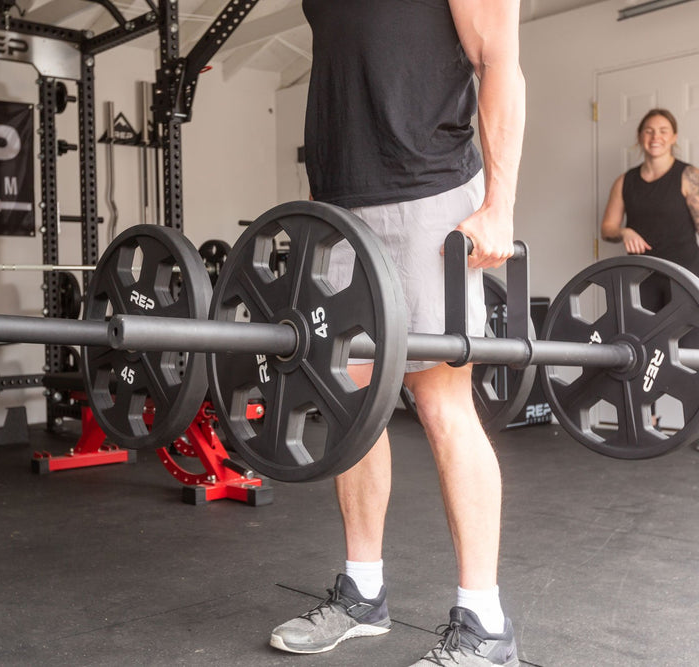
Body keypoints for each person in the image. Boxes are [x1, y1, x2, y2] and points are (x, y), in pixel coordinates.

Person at [269, 2, 524, 665]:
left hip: (427, 190)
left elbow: (498, 55)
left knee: (441, 403)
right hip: (339, 202)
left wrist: (500, 203)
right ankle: (363, 592)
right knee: (351, 406)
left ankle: (485, 622)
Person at [599, 108, 699, 454]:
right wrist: (625, 229)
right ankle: (647, 422)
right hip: (641, 278)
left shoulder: (690, 177)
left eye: (663, 130)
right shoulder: (624, 181)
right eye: (648, 130)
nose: (655, 136)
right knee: (639, 350)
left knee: (690, 352)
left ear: (673, 137)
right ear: (640, 138)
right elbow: (607, 228)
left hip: (685, 277)